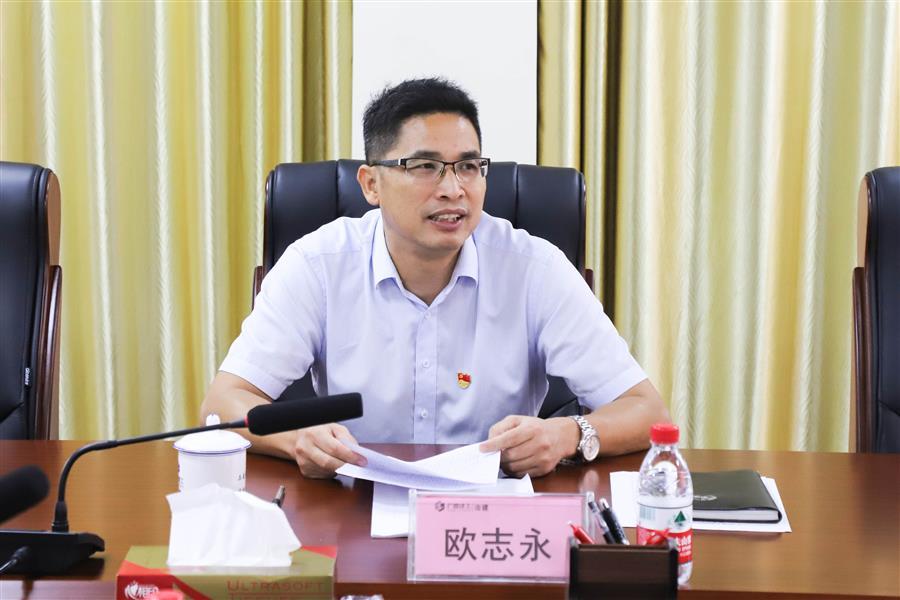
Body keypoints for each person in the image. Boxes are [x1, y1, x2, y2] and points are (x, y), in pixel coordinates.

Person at [201, 77, 669, 479]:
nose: (453, 189)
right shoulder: (318, 264)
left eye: (468, 166)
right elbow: (223, 404)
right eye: (424, 166)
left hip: (493, 511)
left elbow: (647, 410)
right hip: (353, 503)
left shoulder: (535, 269)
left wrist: (570, 434)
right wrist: (297, 439)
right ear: (371, 184)